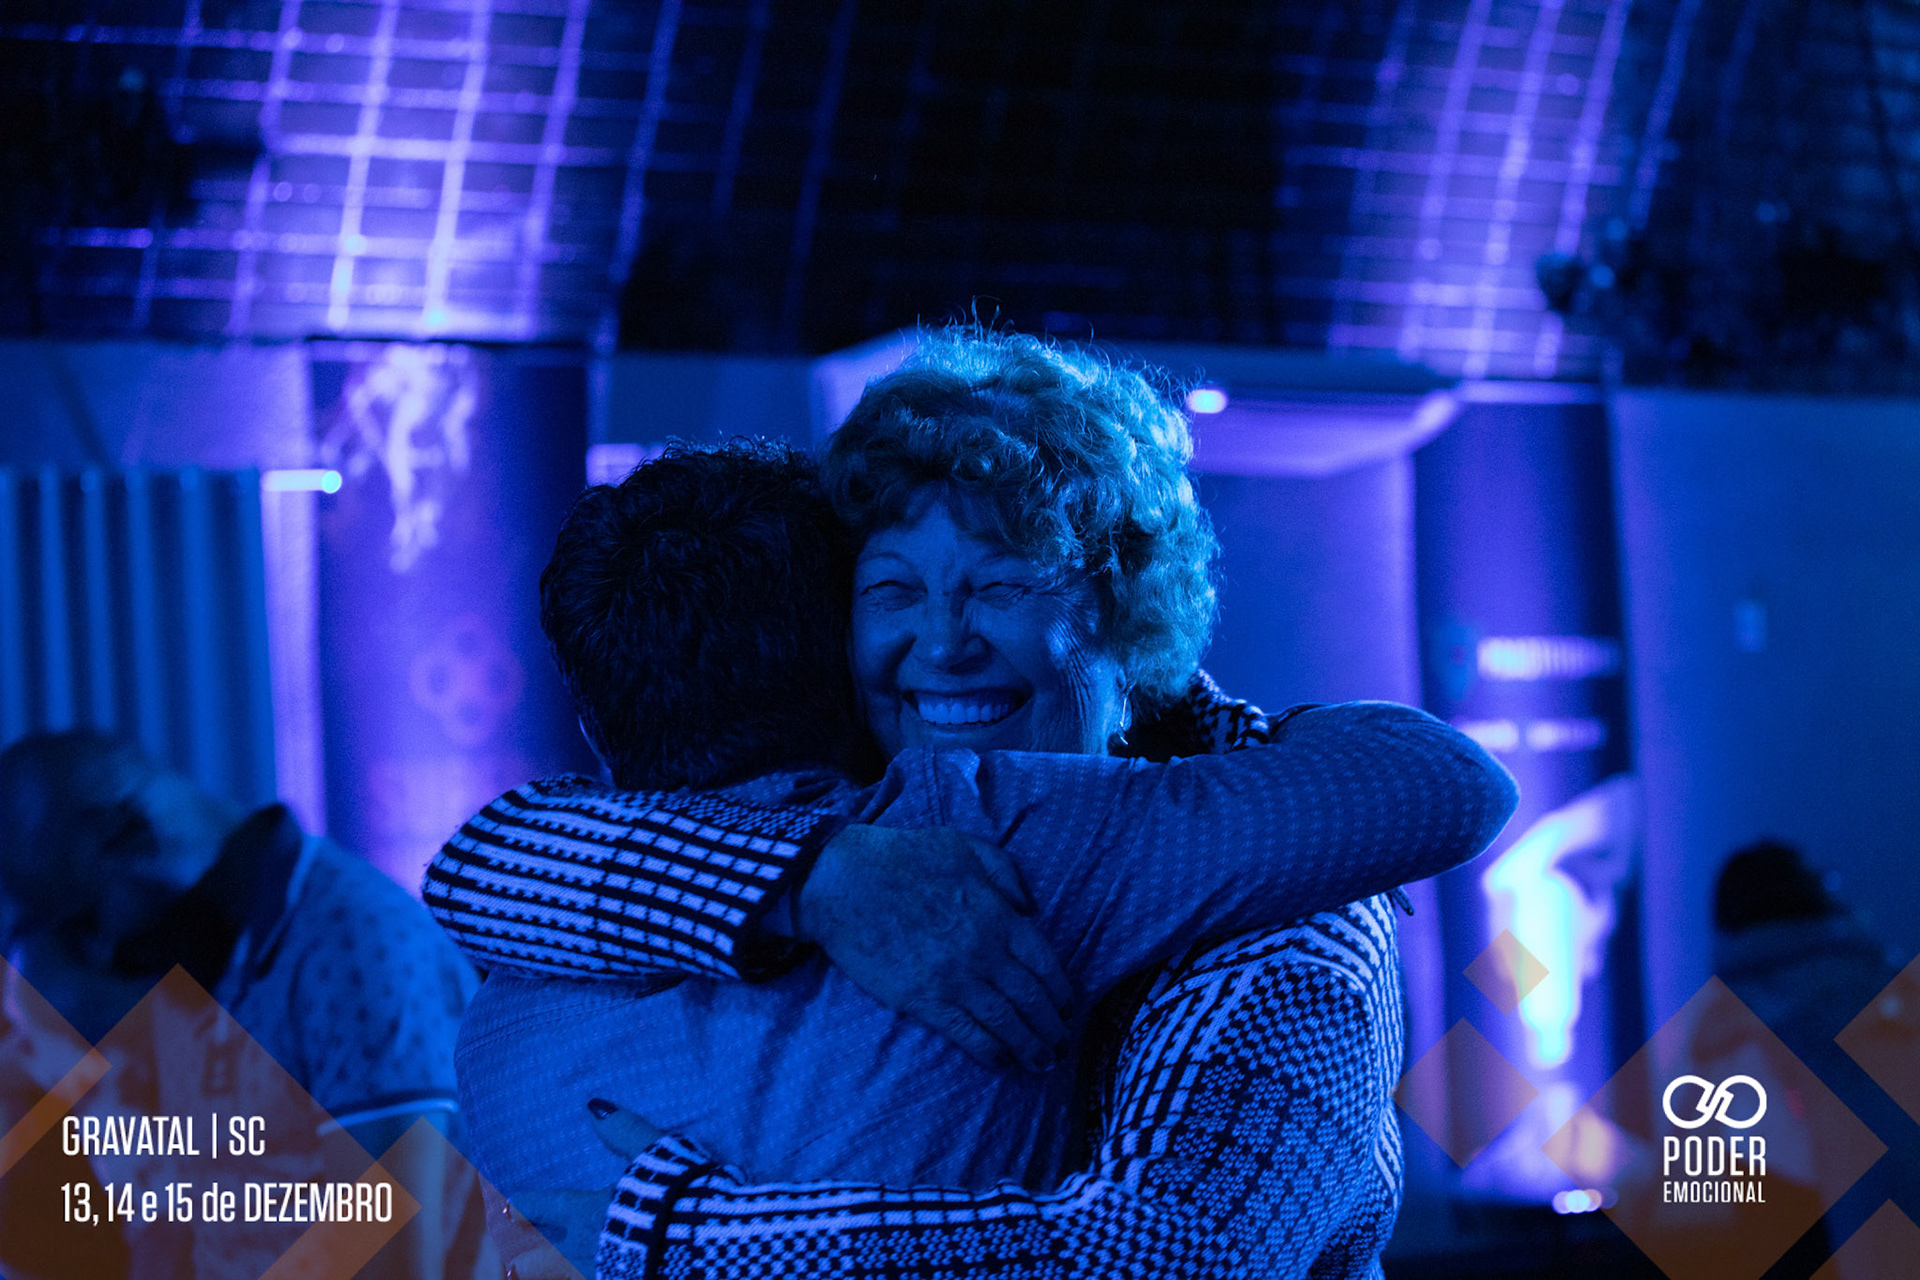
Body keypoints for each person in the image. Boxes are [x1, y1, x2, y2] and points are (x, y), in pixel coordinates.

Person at [428, 331, 1517, 1279]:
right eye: (892, 589)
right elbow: (479, 865)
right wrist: (813, 877)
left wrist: (687, 1241)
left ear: (1124, 616)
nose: (943, 644)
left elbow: (1178, 1253)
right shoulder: (886, 828)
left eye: (1004, 585)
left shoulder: (1296, 899)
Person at [0, 730, 486, 1279]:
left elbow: (390, 1263)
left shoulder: (354, 947)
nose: (98, 954)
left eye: (87, 923)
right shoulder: (199, 961)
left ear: (131, 836)